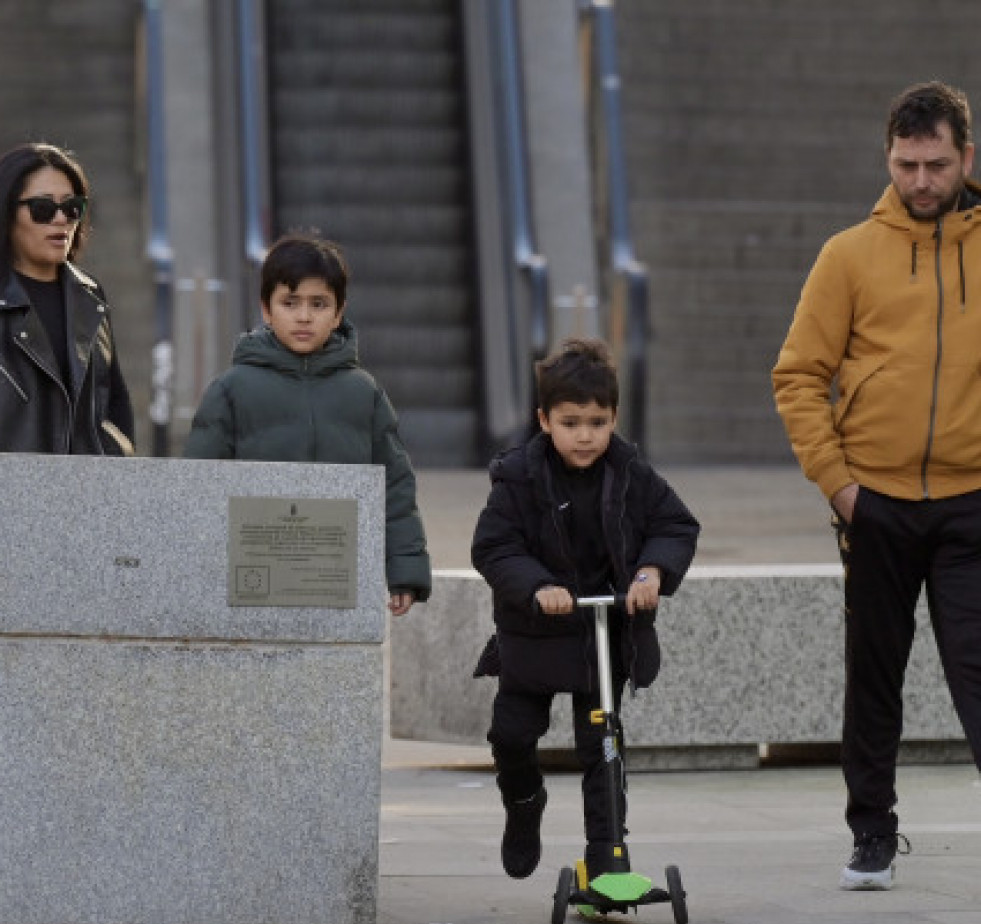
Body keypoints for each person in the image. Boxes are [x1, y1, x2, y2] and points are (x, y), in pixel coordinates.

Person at [773, 80, 981, 891]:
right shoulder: (847, 255)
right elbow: (797, 375)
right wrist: (838, 484)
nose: (921, 181)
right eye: (905, 164)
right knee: (873, 676)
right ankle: (871, 834)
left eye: (936, 164)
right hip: (876, 504)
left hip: (972, 504)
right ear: (886, 158)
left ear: (966, 157)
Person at [471, 338, 699, 881]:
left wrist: (651, 572)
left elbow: (675, 525)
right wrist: (538, 586)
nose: (585, 435)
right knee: (511, 734)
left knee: (601, 745)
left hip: (602, 633)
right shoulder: (519, 477)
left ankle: (606, 859)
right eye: (570, 422)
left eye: (597, 423)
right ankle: (524, 808)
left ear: (614, 418)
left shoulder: (630, 473)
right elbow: (495, 547)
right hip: (535, 633)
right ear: (544, 420)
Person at [184, 233, 430, 614]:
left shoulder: (362, 392)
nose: (304, 316)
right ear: (266, 309)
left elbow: (395, 485)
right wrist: (198, 570)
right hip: (252, 579)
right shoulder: (231, 389)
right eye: (290, 302)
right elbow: (197, 488)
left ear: (338, 312)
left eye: (319, 304)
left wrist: (404, 571)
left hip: (338, 577)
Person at [0, 142, 134, 454]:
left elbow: (114, 403)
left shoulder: (89, 294)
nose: (61, 220)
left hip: (84, 492)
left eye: (72, 207)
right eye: (43, 209)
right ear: (7, 213)